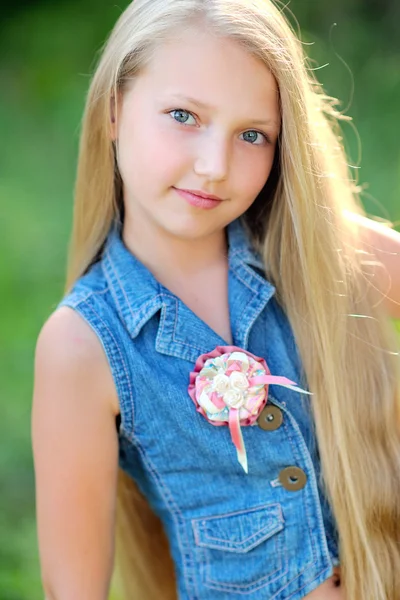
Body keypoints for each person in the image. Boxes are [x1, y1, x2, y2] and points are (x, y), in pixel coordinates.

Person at [31, 0, 400, 599]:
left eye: (252, 135)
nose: (214, 167)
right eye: (183, 115)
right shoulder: (84, 345)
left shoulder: (310, 249)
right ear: (113, 111)